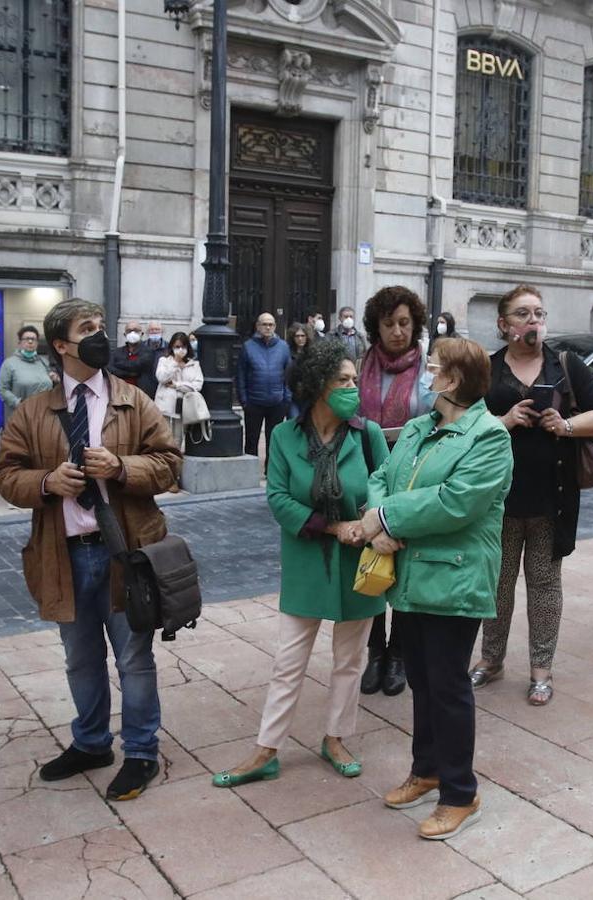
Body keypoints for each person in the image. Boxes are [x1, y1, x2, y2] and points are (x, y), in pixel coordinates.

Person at [0, 298, 182, 801]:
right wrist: (48, 481)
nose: (100, 335)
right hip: (66, 554)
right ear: (61, 345)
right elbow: (7, 477)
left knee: (134, 659)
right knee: (81, 660)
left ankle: (141, 752)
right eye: (87, 329)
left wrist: (122, 468)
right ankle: (92, 743)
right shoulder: (35, 411)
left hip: (127, 552)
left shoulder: (133, 400)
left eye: (102, 326)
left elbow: (170, 464)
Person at [212, 340, 390, 788]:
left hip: (358, 564)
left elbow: (385, 487)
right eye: (343, 381)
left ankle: (336, 738)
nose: (353, 389)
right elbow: (278, 498)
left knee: (350, 660)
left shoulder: (365, 435)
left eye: (354, 380)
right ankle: (266, 748)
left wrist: (367, 523)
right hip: (308, 561)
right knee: (289, 660)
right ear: (317, 386)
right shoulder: (284, 437)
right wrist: (333, 527)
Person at [362, 337, 513, 840]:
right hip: (410, 576)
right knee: (423, 681)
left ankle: (460, 792)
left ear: (451, 380)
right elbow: (383, 474)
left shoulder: (489, 437)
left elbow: (456, 503)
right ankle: (425, 771)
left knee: (448, 687)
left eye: (434, 367)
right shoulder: (420, 427)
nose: (426, 373)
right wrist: (380, 515)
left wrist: (387, 520)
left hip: (454, 578)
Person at [470, 286, 593, 706]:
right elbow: (463, 424)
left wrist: (565, 425)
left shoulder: (565, 364)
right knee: (497, 584)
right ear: (504, 325)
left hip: (553, 495)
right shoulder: (488, 369)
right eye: (523, 314)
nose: (533, 321)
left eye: (538, 313)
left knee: (545, 584)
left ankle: (540, 670)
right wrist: (505, 420)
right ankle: (491, 660)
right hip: (498, 498)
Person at [358, 285, 434, 696]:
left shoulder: (428, 367)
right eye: (389, 324)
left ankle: (399, 654)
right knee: (370, 561)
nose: (398, 331)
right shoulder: (361, 365)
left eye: (404, 323)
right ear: (376, 327)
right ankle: (374, 653)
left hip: (414, 476)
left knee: (405, 565)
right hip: (368, 472)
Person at [236, 313, 292, 467]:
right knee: (251, 439)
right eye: (264, 324)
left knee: (274, 440)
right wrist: (244, 400)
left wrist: (286, 399)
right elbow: (240, 375)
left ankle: (271, 471)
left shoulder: (283, 347)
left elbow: (289, 375)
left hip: (277, 402)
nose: (268, 327)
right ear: (258, 326)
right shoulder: (248, 346)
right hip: (254, 402)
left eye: (271, 324)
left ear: (275, 326)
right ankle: (249, 471)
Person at [153, 332, 204, 449]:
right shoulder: (164, 361)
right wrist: (175, 363)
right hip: (165, 407)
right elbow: (162, 378)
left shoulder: (194, 364)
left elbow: (196, 385)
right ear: (171, 347)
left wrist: (177, 385)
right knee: (163, 437)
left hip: (184, 407)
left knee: (178, 438)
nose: (180, 350)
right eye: (177, 347)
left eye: (183, 346)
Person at [0, 325, 55, 413]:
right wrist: (18, 403)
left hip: (44, 414)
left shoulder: (44, 362)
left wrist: (55, 379)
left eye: (33, 339)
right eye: (27, 339)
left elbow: (51, 383)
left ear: (37, 343)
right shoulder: (9, 363)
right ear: (19, 343)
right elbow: (2, 389)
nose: (30, 341)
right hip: (22, 414)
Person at [109, 320, 156, 397]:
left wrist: (119, 365)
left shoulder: (148, 351)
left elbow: (138, 365)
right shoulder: (116, 352)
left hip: (141, 394)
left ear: (142, 334)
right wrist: (132, 373)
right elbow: (111, 369)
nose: (132, 333)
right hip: (120, 393)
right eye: (129, 331)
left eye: (136, 330)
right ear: (125, 334)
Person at [285, 323, 315, 418]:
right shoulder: (287, 352)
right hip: (292, 396)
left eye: (303, 336)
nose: (300, 339)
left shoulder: (312, 353)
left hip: (308, 395)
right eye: (297, 336)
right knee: (294, 421)